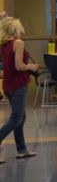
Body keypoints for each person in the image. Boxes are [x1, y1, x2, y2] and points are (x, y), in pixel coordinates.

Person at [0, 18, 39, 164]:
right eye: (20, 24)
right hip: (18, 85)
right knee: (16, 118)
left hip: (8, 86)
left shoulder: (4, 44)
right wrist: (31, 67)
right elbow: (19, 66)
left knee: (20, 117)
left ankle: (22, 150)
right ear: (15, 27)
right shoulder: (18, 43)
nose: (22, 25)